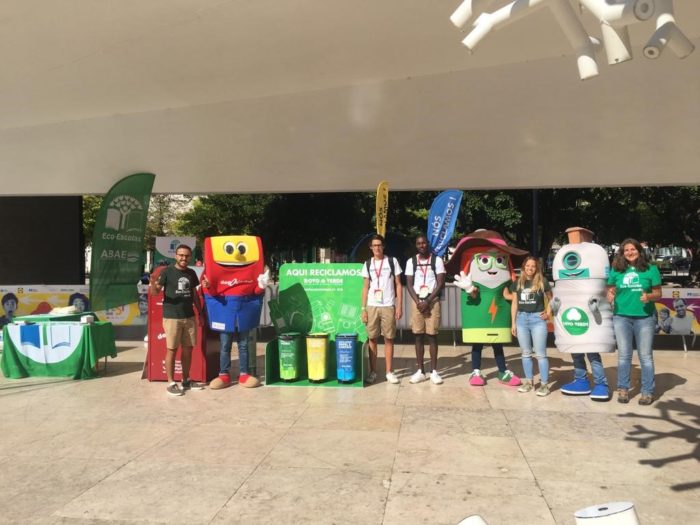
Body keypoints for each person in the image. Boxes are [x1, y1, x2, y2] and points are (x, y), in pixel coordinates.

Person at [607, 238, 662, 405]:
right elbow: (610, 289)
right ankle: (623, 389)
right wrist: (610, 295)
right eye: (626, 250)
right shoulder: (616, 270)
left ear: (639, 251)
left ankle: (647, 391)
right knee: (624, 355)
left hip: (645, 318)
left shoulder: (651, 269)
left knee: (645, 356)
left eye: (633, 249)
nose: (630, 252)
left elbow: (658, 293)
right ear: (622, 253)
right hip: (621, 317)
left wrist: (649, 296)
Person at [150, 244, 205, 396]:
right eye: (181, 255)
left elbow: (194, 294)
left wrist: (200, 313)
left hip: (189, 316)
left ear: (190, 257)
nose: (183, 258)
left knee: (188, 349)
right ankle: (171, 382)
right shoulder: (167, 272)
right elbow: (155, 292)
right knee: (172, 350)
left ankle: (186, 380)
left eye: (186, 256)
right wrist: (152, 283)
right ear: (175, 256)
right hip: (172, 317)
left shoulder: (191, 273)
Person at [361, 234, 403, 384]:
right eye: (374, 245)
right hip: (372, 305)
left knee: (389, 339)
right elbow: (365, 287)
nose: (377, 248)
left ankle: (389, 372)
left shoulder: (392, 261)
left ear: (383, 246)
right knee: (372, 339)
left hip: (388, 305)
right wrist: (363, 308)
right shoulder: (367, 264)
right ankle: (373, 372)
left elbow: (398, 284)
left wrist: (399, 306)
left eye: (379, 245)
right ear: (370, 247)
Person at [404, 235, 446, 385]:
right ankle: (421, 371)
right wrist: (419, 302)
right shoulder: (411, 261)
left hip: (432, 301)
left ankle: (434, 371)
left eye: (424, 243)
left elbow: (440, 283)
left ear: (428, 244)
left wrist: (427, 301)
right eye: (418, 243)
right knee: (418, 335)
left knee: (432, 335)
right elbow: (409, 284)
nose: (421, 245)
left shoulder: (437, 260)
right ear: (416, 245)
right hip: (417, 302)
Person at [509, 256, 553, 396]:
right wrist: (513, 323)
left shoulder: (542, 281)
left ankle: (544, 385)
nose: (530, 268)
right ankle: (529, 383)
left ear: (536, 268)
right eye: (528, 266)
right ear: (523, 267)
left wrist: (548, 313)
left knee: (541, 354)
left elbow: (551, 299)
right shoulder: (517, 283)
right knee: (526, 354)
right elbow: (514, 304)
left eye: (533, 266)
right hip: (521, 320)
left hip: (537, 320)